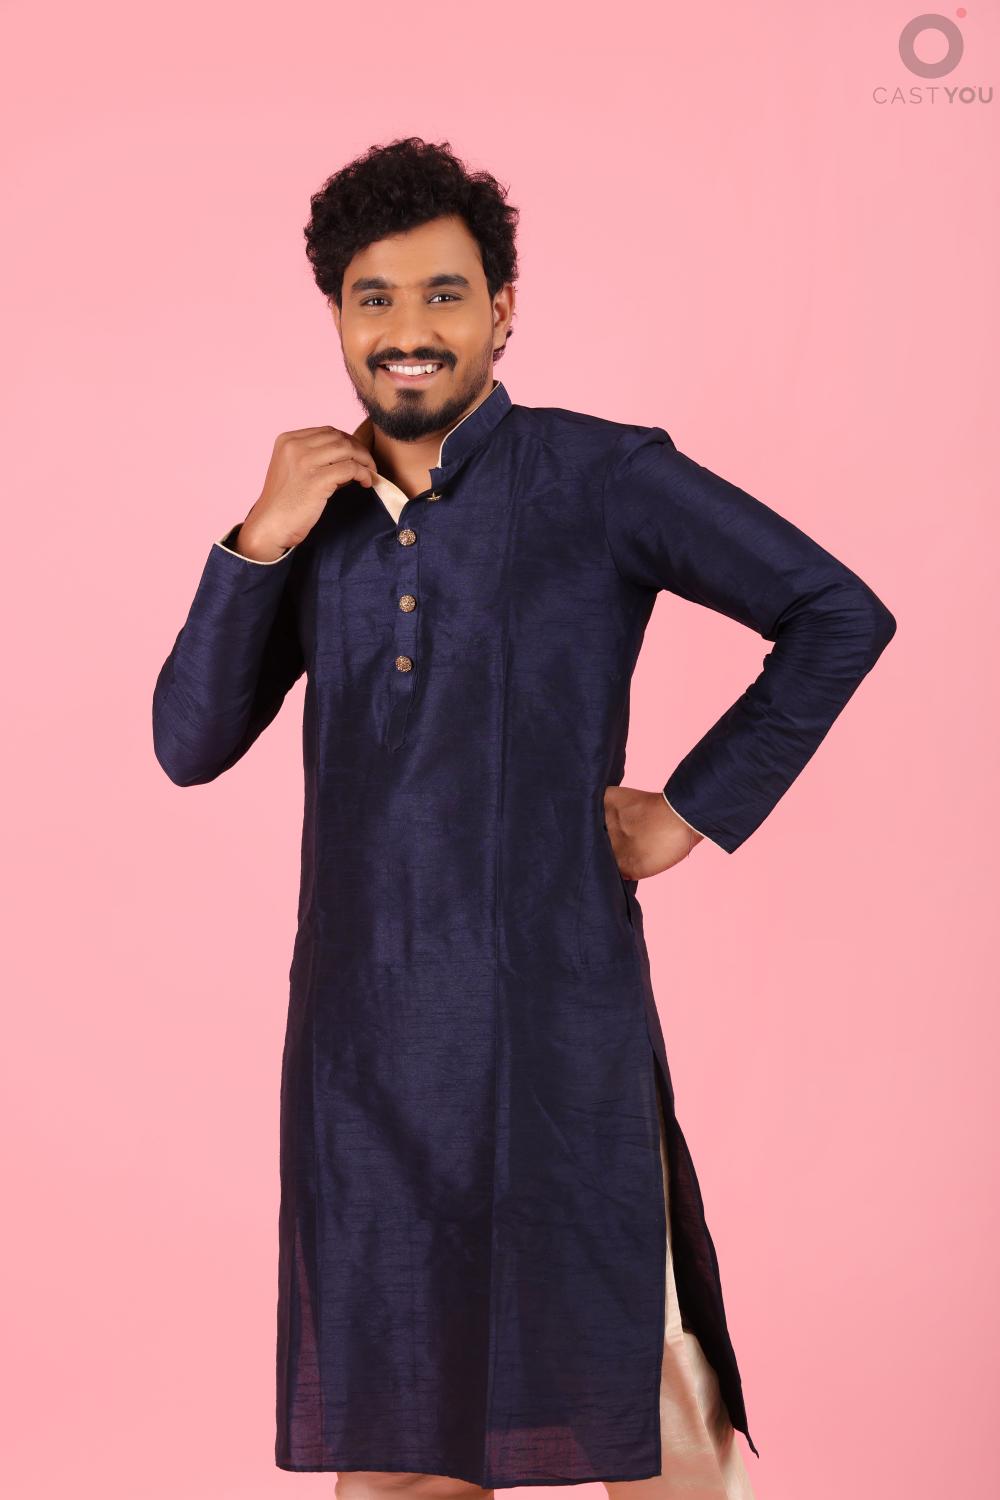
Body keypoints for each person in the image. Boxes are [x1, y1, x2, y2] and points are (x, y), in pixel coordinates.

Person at [152, 136, 896, 1497]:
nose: (409, 328)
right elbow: (187, 745)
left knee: (656, 1417)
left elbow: (836, 611)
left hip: (560, 1031)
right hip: (366, 1058)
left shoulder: (597, 475)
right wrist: (256, 536)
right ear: (337, 318)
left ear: (502, 310)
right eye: (374, 298)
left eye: (444, 293)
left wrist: (691, 807)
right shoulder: (312, 512)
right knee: (397, 1442)